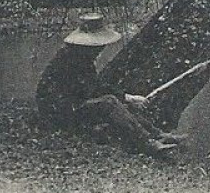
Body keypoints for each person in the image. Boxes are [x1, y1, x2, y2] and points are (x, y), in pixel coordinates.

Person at [35, 14, 179, 157]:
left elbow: (93, 86)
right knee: (109, 102)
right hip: (58, 112)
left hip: (69, 104)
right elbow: (91, 89)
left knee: (120, 105)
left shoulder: (79, 56)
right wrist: (127, 97)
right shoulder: (71, 60)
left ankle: (157, 134)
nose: (100, 49)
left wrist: (127, 98)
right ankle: (147, 143)